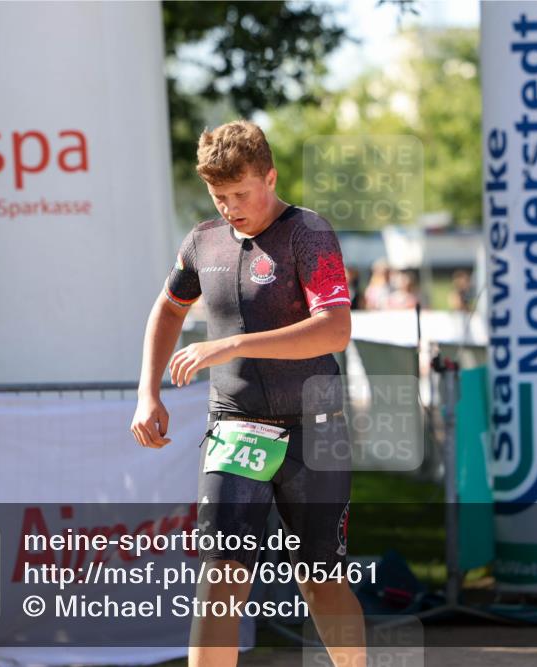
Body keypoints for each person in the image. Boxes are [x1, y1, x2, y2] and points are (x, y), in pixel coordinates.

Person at [130, 121, 365, 667]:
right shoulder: (203, 240)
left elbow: (335, 329)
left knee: (321, 582)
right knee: (220, 576)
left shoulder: (308, 232)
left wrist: (231, 343)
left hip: (315, 427)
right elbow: (167, 308)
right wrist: (148, 392)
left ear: (271, 176)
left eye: (241, 193)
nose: (232, 206)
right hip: (236, 425)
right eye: (220, 197)